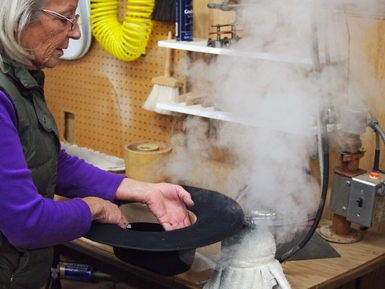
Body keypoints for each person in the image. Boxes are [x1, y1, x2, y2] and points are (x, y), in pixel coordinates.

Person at [0, 0, 194, 288]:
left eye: (75, 18)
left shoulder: (18, 77)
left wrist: (143, 190)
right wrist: (93, 208)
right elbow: (26, 224)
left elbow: (51, 160)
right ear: (18, 18)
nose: (76, 32)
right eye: (65, 18)